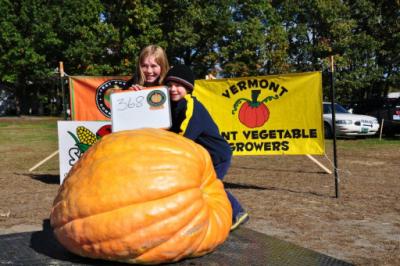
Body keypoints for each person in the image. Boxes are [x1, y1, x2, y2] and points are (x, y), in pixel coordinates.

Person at [164, 64, 249, 230]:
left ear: (188, 88)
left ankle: (237, 213)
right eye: (170, 85)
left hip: (216, 155)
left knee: (208, 186)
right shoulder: (174, 105)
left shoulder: (192, 108)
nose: (173, 89)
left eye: (178, 85)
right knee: (200, 186)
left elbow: (184, 138)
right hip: (203, 156)